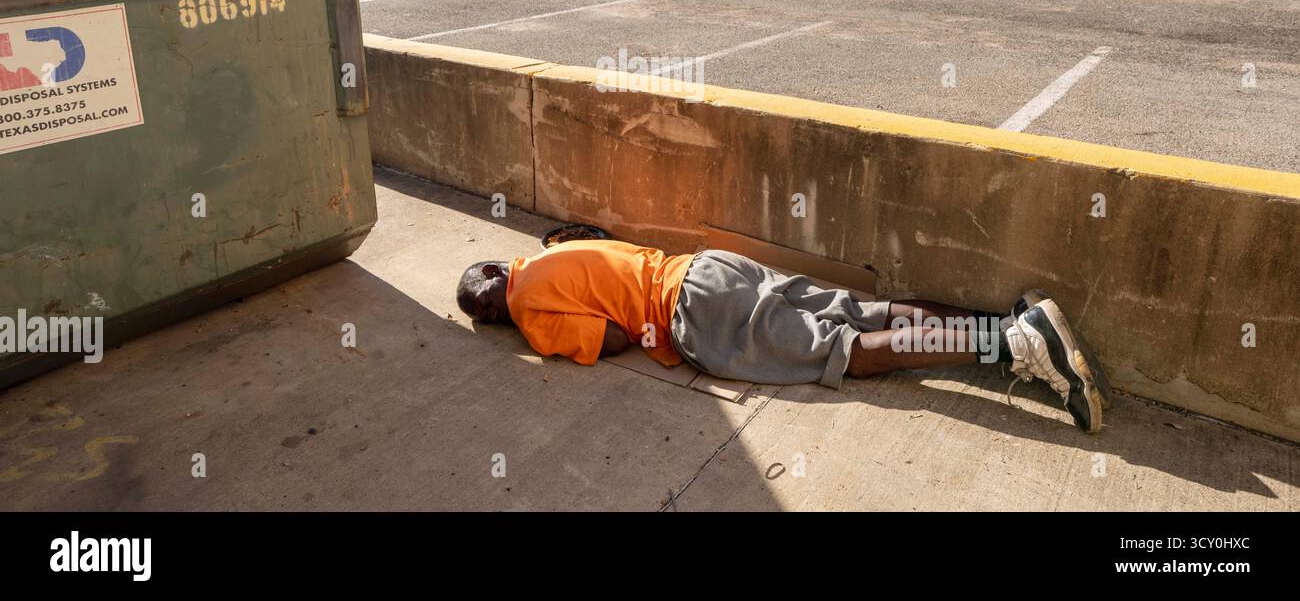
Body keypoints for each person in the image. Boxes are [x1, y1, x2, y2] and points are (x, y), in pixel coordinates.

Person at [457, 235, 1111, 433]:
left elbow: (611, 343)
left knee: (846, 353)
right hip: (706, 267)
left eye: (484, 306)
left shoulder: (529, 308)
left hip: (696, 318)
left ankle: (1015, 347)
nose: (494, 312)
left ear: (493, 285)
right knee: (864, 310)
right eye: (486, 313)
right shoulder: (553, 250)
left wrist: (532, 332)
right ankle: (1015, 324)